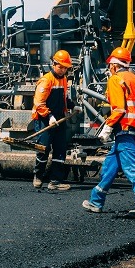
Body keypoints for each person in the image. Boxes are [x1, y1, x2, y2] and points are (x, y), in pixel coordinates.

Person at [82, 46, 135, 217]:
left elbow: (119, 109)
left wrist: (107, 127)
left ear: (115, 65)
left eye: (110, 65)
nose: (109, 68)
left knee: (133, 169)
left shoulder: (116, 79)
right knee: (109, 167)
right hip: (132, 128)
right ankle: (96, 201)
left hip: (123, 129)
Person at [32, 49, 76, 191]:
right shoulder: (46, 80)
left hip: (59, 120)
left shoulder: (64, 79)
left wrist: (73, 106)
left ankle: (55, 181)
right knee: (43, 149)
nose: (63, 70)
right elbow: (39, 103)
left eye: (65, 68)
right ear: (54, 64)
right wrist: (49, 116)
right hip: (44, 120)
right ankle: (38, 176)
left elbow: (64, 98)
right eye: (60, 67)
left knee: (60, 149)